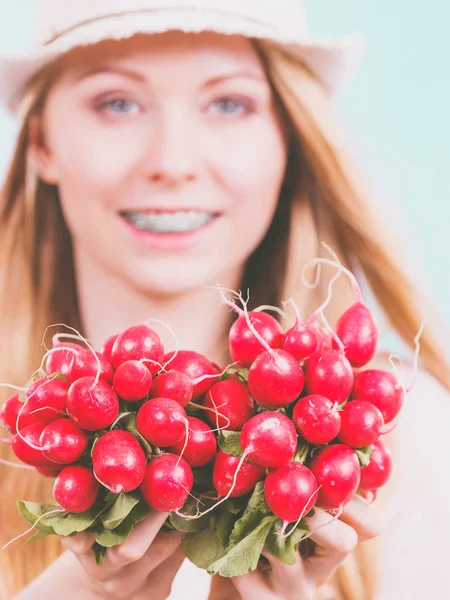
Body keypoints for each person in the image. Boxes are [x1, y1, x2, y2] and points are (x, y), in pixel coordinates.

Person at [0, 1, 449, 599]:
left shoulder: (423, 449)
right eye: (117, 103)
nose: (173, 163)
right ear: (41, 144)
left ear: (287, 139)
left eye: (228, 104)